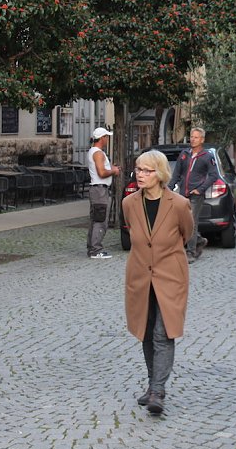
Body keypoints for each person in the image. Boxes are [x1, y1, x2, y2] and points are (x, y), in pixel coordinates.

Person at [122, 150, 194, 416]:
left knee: (163, 333)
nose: (141, 175)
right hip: (140, 277)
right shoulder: (129, 203)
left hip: (170, 277)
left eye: (147, 170)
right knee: (146, 330)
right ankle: (153, 384)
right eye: (139, 169)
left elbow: (186, 233)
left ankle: (158, 390)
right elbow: (135, 235)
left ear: (160, 174)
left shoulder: (178, 204)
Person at [168, 127, 217, 263]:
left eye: (196, 137)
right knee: (181, 222)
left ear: (202, 139)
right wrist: (169, 188)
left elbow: (214, 176)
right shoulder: (184, 154)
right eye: (191, 136)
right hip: (183, 193)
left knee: (192, 222)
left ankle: (191, 251)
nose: (193, 139)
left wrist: (200, 189)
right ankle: (199, 240)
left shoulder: (207, 156)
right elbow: (176, 174)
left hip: (196, 195)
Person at [87, 127, 121, 259]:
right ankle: (96, 249)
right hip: (100, 189)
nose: (107, 139)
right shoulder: (99, 153)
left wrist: (111, 168)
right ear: (102, 138)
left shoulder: (93, 151)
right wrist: (114, 171)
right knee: (101, 220)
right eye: (106, 137)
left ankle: (92, 248)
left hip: (96, 189)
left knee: (95, 218)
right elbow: (101, 173)